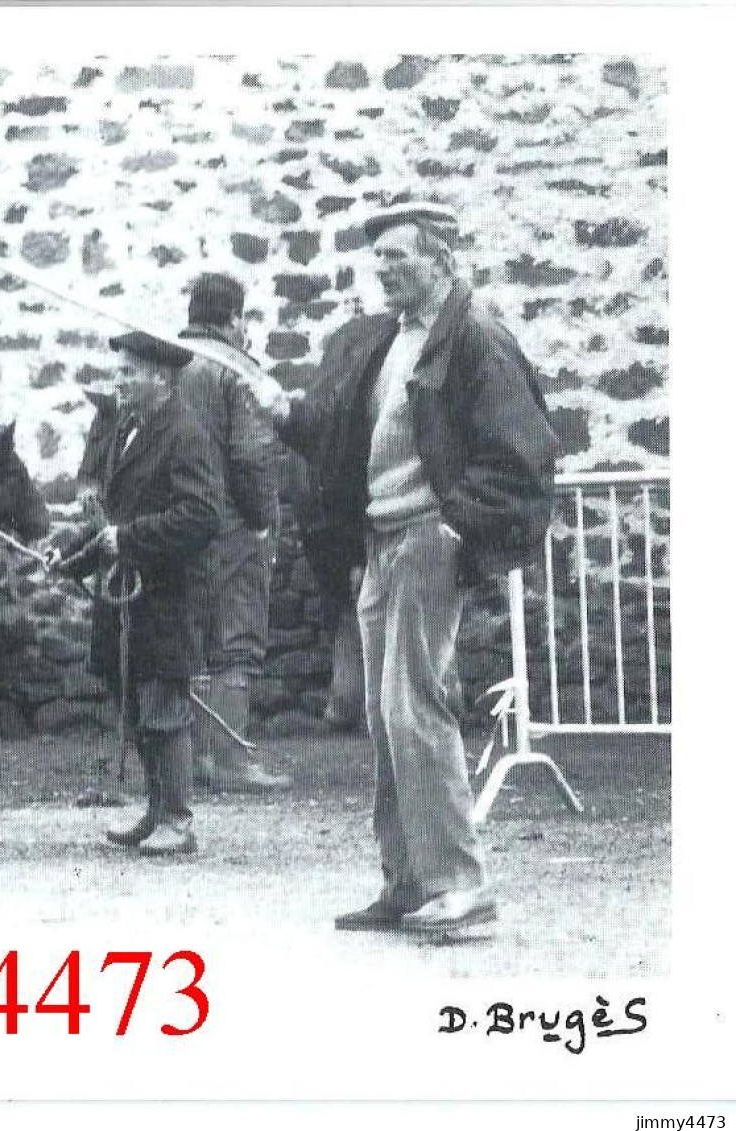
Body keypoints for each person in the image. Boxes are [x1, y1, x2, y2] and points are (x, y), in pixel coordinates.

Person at [246, 201, 559, 933]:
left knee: (413, 708)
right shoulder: (394, 341)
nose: (382, 269)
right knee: (385, 717)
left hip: (425, 539)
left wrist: (453, 527)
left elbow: (525, 453)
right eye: (377, 257)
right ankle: (408, 881)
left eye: (398, 256)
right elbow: (342, 432)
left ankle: (459, 883)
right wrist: (285, 413)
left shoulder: (475, 337)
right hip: (381, 541)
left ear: (440, 259)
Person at [57, 331, 226, 855]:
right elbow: (111, 518)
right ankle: (155, 812)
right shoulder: (125, 430)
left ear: (160, 377)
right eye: (121, 372)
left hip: (168, 595)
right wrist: (69, 558)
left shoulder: (187, 433)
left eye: (130, 372)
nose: (120, 382)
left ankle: (178, 818)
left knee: (163, 704)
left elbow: (200, 516)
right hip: (127, 599)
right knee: (133, 702)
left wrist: (126, 539)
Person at [174, 273, 293, 792]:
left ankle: (189, 758)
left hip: (171, 526)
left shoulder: (161, 363)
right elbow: (251, 455)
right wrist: (266, 517)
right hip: (229, 525)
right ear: (234, 318)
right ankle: (228, 760)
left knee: (188, 640)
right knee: (236, 638)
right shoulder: (234, 371)